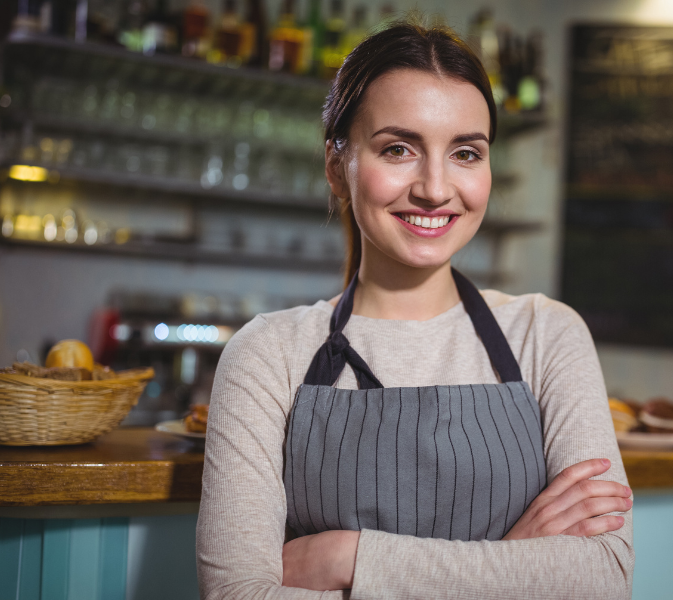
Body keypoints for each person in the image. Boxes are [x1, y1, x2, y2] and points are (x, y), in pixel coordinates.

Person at [197, 22, 634, 599]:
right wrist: (515, 566)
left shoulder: (546, 334)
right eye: (398, 149)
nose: (434, 187)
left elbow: (603, 579)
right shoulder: (266, 355)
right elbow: (238, 596)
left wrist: (349, 557)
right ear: (337, 166)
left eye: (465, 153)